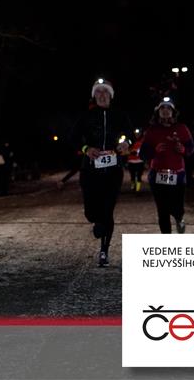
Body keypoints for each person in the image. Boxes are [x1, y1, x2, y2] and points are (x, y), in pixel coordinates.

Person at [70, 79, 133, 267]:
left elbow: (132, 133)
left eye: (105, 92)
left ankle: (104, 251)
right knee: (91, 213)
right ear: (94, 96)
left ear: (111, 96)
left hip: (113, 170)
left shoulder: (120, 115)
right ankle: (97, 221)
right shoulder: (86, 116)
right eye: (98, 92)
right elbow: (73, 137)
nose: (102, 95)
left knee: (108, 210)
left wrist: (126, 142)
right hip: (90, 170)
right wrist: (86, 148)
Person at [139, 98, 194, 234]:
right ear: (158, 112)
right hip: (157, 174)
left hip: (178, 174)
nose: (165, 111)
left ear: (173, 112)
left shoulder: (181, 128)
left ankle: (179, 217)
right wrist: (154, 150)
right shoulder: (152, 130)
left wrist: (183, 149)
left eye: (168, 108)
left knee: (177, 207)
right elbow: (143, 154)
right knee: (162, 210)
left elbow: (191, 147)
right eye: (162, 108)